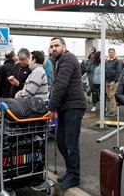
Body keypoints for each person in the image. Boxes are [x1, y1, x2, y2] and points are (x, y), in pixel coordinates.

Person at [45, 37, 86, 190]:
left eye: (56, 45)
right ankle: (70, 171)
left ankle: (75, 176)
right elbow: (57, 86)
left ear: (64, 46)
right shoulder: (59, 61)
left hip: (73, 107)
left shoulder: (68, 59)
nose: (53, 48)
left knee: (71, 144)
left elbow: (61, 85)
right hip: (65, 107)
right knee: (61, 142)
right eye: (51, 46)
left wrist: (51, 108)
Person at [105, 48, 122, 116]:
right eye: (110, 52)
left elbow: (119, 71)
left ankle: (113, 111)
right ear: (108, 53)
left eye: (112, 52)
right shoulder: (107, 62)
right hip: (107, 81)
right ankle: (111, 109)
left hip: (113, 81)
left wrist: (115, 80)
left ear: (114, 53)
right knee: (109, 96)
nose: (111, 53)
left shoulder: (117, 61)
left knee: (112, 96)